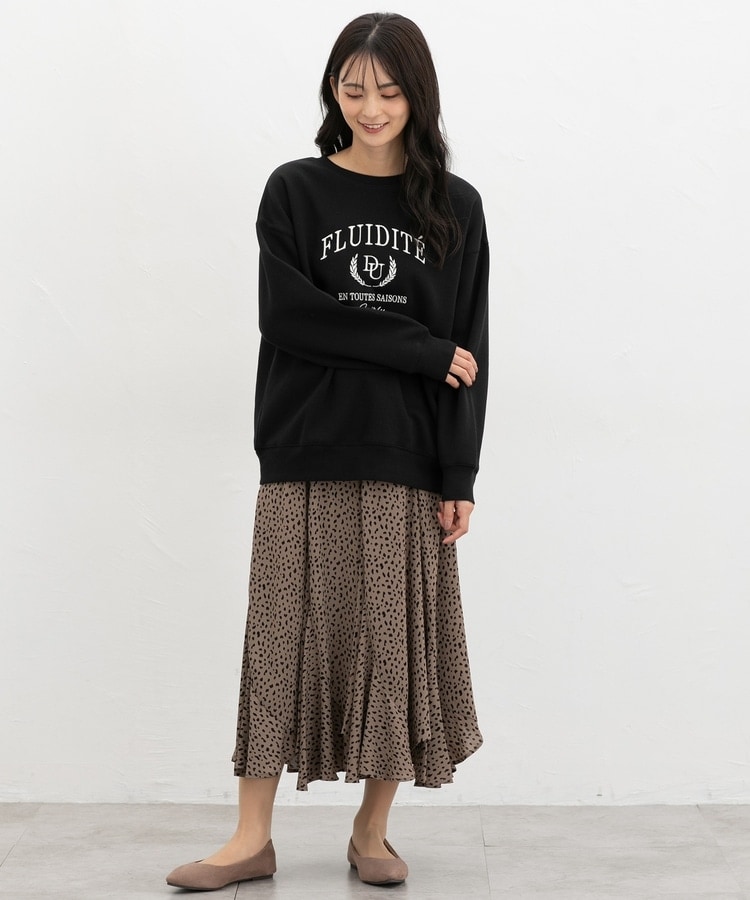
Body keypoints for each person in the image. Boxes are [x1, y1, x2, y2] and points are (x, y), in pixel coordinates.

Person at [166, 11, 489, 891]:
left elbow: (471, 350)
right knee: (278, 641)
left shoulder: (455, 207)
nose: (370, 108)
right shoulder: (295, 191)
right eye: (353, 89)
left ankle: (371, 832)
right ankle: (250, 838)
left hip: (407, 453)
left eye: (389, 91)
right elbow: (290, 317)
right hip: (302, 444)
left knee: (394, 647)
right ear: (332, 92)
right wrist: (416, 347)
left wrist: (459, 471)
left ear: (418, 96)